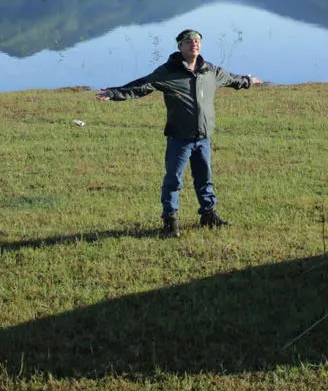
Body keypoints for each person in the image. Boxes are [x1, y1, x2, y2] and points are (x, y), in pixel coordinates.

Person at [95, 28, 261, 238]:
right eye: (189, 41)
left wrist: (249, 81)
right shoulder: (168, 72)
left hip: (203, 139)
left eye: (198, 41)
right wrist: (113, 93)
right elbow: (142, 85)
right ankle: (170, 222)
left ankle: (208, 215)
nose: (194, 44)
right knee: (173, 180)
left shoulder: (210, 71)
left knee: (205, 179)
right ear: (180, 46)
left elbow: (232, 79)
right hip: (179, 139)